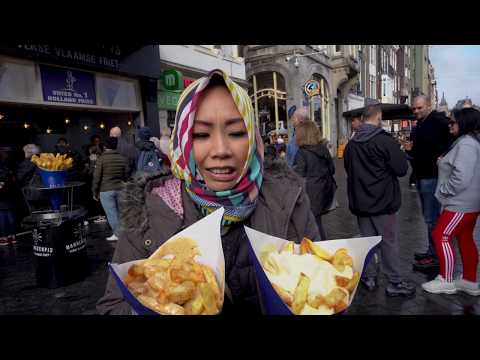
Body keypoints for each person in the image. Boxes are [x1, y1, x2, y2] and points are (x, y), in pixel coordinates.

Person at [96, 69, 320, 315]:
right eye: (201, 135)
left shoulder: (289, 198)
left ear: (253, 138)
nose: (221, 150)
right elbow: (113, 305)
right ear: (182, 141)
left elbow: (319, 282)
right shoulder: (148, 211)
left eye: (236, 133)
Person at [344, 104, 415, 297]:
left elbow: (348, 169)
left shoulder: (351, 144)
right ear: (378, 117)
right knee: (388, 242)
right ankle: (394, 282)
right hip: (383, 202)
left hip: (361, 202)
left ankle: (369, 277)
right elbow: (401, 169)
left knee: (367, 242)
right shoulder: (384, 141)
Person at [421, 108, 480, 295]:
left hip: (460, 203)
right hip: (469, 202)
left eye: (453, 122)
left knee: (441, 235)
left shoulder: (466, 144)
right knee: (464, 238)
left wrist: (445, 191)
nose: (450, 124)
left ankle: (446, 279)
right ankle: (469, 280)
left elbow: (461, 177)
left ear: (464, 123)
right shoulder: (467, 142)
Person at [404, 96, 454, 271]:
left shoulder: (439, 121)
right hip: (421, 175)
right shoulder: (421, 124)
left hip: (432, 176)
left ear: (429, 106)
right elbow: (419, 148)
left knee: (432, 218)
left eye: (419, 108)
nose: (416, 111)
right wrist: (410, 150)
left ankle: (435, 256)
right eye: (414, 109)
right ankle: (432, 251)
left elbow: (453, 141)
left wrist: (444, 157)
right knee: (429, 217)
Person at [293, 121, 336, 240]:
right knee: (318, 223)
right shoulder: (323, 149)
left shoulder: (301, 153)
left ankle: (318, 250)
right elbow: (332, 169)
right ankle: (323, 245)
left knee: (312, 226)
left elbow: (298, 176)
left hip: (310, 194)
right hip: (325, 191)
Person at [92, 137, 127, 242]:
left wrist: (94, 191)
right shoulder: (122, 158)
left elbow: (97, 177)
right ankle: (124, 234)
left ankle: (118, 235)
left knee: (112, 214)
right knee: (121, 213)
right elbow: (126, 174)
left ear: (105, 146)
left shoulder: (101, 159)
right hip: (120, 188)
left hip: (106, 190)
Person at [0, 149, 16, 246]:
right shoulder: (9, 164)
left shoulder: (3, 165)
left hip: (3, 193)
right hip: (9, 192)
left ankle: (4, 238)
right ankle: (12, 236)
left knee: (2, 215)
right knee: (9, 215)